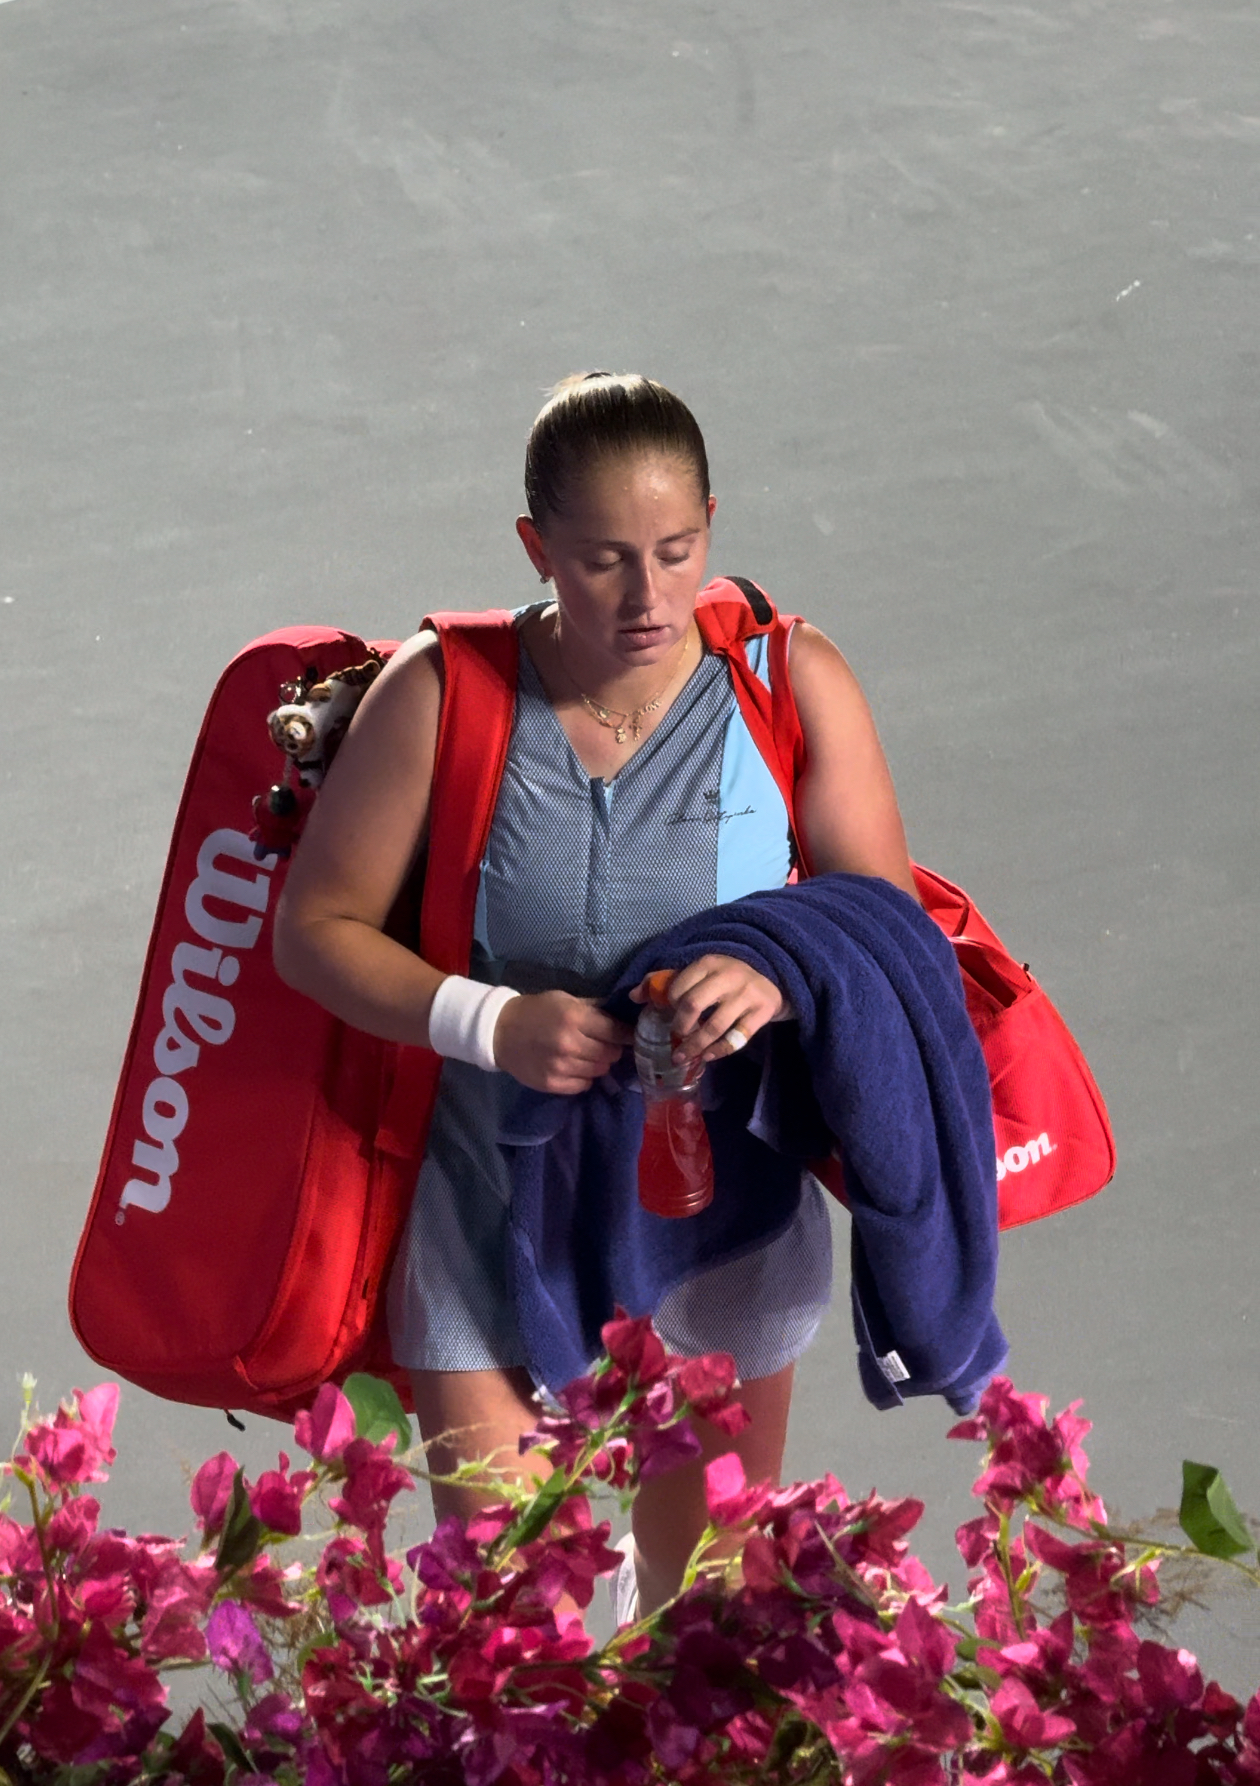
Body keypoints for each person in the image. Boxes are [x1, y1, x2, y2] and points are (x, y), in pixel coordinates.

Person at [273, 371, 916, 1618]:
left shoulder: (790, 679)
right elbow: (317, 929)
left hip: (716, 1210)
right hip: (487, 1210)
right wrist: (490, 1020)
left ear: (713, 528)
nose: (650, 596)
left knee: (708, 1618)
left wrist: (777, 973)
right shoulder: (441, 692)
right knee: (515, 1634)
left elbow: (883, 931)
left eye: (678, 553)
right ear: (536, 548)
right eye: (606, 560)